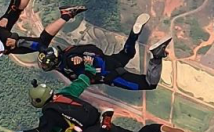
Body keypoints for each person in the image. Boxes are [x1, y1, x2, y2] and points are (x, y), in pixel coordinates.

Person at [17, 65, 188, 132]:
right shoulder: (64, 95)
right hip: (102, 127)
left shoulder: (49, 116)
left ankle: (107, 127)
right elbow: (81, 82)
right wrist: (89, 69)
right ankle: (159, 129)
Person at [38, 13, 171, 91]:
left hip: (109, 74)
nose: (45, 67)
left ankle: (157, 56)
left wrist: (82, 62)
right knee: (127, 54)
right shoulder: (67, 52)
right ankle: (134, 32)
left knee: (149, 84)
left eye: (46, 65)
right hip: (108, 61)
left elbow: (80, 69)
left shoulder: (68, 61)